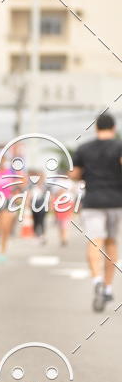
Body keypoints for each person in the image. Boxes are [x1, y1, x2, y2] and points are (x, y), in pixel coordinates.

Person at [71, 112, 122, 311]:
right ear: (114, 128)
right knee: (111, 242)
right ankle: (108, 287)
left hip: (92, 201)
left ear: (96, 128)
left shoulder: (84, 149)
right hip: (117, 201)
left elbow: (75, 175)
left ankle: (97, 280)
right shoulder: (119, 146)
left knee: (94, 241)